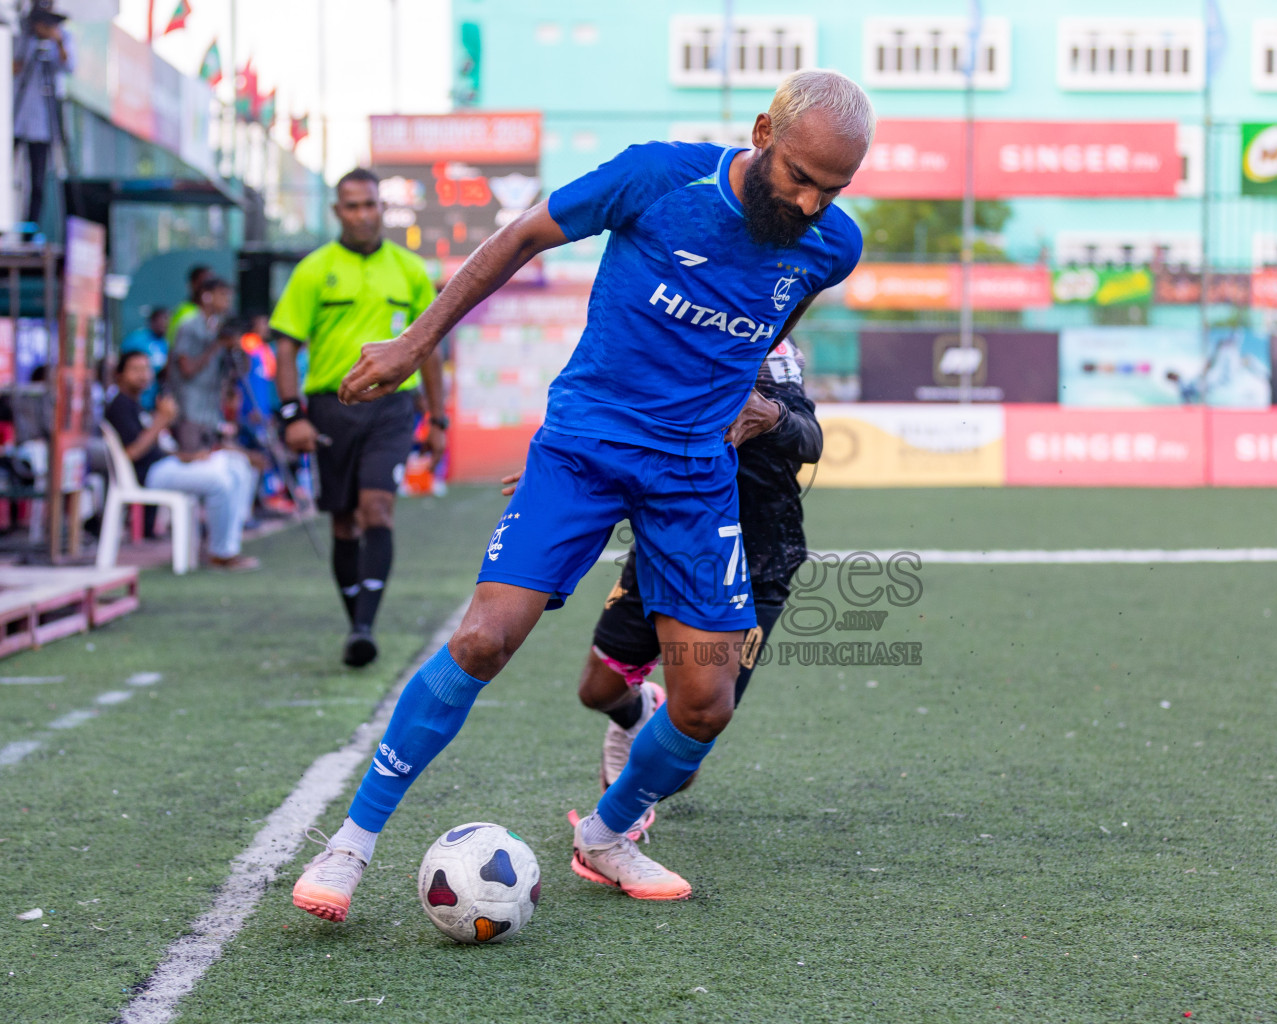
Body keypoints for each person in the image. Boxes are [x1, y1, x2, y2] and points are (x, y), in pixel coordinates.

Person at [290, 69, 871, 923]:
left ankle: (606, 836)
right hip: (585, 448)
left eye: (835, 188)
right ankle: (350, 846)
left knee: (705, 703)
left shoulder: (834, 245)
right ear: (761, 133)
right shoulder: (656, 176)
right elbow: (523, 235)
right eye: (801, 177)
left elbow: (770, 318)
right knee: (485, 641)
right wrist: (418, 342)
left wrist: (724, 407)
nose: (814, 203)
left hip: (691, 475)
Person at [505, 339, 819, 829]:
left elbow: (810, 440)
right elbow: (613, 422)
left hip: (758, 561)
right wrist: (561, 471)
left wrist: (771, 415)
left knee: (686, 747)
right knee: (597, 690)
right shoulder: (661, 325)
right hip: (670, 540)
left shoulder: (767, 340)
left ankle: (607, 832)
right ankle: (639, 713)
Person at [270, 168, 446, 668]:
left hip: (393, 407)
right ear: (337, 212)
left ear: (381, 208)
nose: (363, 214)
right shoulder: (312, 270)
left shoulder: (409, 270)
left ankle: (365, 627)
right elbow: (285, 347)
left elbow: (430, 349)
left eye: (370, 204)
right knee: (343, 523)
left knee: (377, 510)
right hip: (330, 407)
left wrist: (437, 420)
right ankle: (357, 624)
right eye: (352, 206)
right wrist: (291, 417)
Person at [102, 351, 260, 571]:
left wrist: (190, 457)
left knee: (237, 464)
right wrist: (161, 420)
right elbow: (133, 453)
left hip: (167, 465)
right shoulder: (119, 405)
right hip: (149, 475)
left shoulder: (138, 404)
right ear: (119, 375)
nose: (142, 375)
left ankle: (230, 542)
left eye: (146, 369)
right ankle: (221, 553)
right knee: (219, 482)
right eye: (135, 370)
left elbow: (157, 449)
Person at [11, 2, 72, 234]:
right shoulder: (22, 36)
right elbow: (13, 67)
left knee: (38, 181)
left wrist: (56, 41)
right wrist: (30, 44)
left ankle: (30, 231)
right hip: (16, 118)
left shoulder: (63, 37)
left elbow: (69, 65)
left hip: (44, 124)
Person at [164, 277, 238, 450]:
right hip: (190, 409)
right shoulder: (189, 325)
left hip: (210, 412)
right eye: (222, 295)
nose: (227, 300)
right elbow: (186, 368)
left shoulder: (217, 327)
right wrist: (216, 345)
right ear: (207, 296)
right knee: (192, 459)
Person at [120, 307, 171, 411]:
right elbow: (122, 362)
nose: (164, 324)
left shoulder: (165, 344)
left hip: (152, 398)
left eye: (167, 320)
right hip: (133, 396)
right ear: (152, 321)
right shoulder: (137, 338)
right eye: (161, 320)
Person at [166, 266, 212, 351]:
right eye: (204, 282)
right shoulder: (184, 312)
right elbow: (175, 346)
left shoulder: (216, 314)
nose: (209, 288)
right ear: (193, 284)